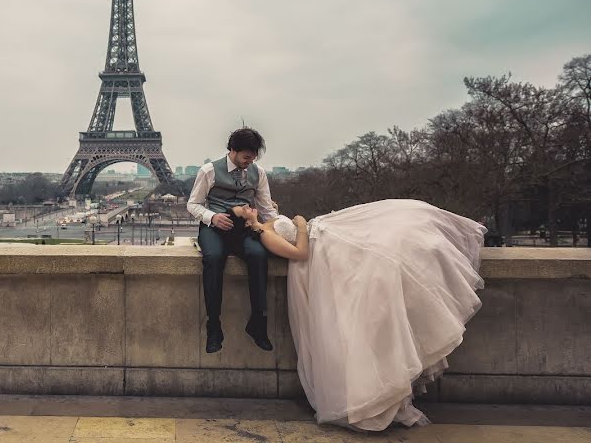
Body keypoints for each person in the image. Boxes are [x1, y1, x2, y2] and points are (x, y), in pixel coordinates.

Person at [231, 199, 485, 431]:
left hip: (329, 241)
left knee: (399, 229)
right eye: (241, 208)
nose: (245, 204)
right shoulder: (263, 234)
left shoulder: (265, 223)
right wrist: (298, 224)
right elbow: (300, 253)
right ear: (244, 221)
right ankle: (370, 397)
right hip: (320, 255)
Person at [187, 128, 279, 353]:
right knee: (213, 259)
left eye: (253, 157)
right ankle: (214, 326)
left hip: (244, 229)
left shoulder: (259, 173)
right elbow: (193, 204)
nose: (250, 162)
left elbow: (266, 208)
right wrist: (213, 217)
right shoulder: (209, 170)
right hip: (215, 227)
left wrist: (279, 229)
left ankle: (258, 322)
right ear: (233, 151)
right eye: (246, 157)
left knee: (258, 255)